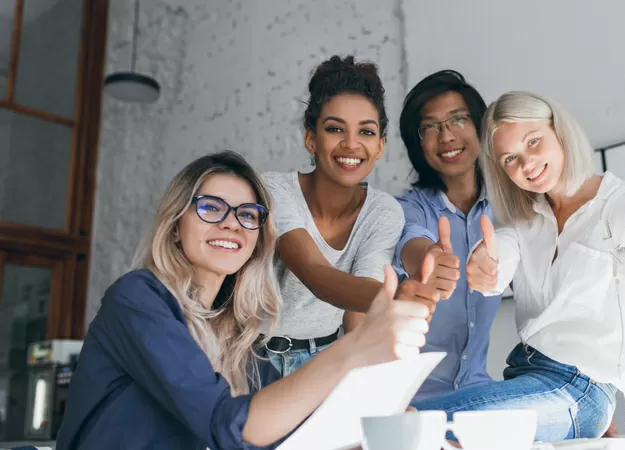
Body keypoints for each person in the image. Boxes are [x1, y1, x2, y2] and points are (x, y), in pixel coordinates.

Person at [56, 151, 435, 449]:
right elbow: (232, 427)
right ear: (175, 227)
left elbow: (286, 428)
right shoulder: (138, 299)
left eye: (247, 214)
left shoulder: (236, 335)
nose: (232, 223)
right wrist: (354, 348)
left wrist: (374, 426)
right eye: (210, 208)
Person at [412, 91, 625, 443]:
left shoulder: (624, 209)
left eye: (533, 141)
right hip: (525, 374)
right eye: (510, 159)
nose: (525, 165)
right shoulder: (522, 223)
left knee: (421, 426)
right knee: (406, 424)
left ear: (560, 131)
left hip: (581, 391)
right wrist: (485, 265)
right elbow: (498, 255)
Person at [261, 55, 438, 377]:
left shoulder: (383, 212)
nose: (351, 144)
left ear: (381, 145)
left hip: (326, 359)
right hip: (250, 358)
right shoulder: (273, 190)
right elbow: (315, 273)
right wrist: (397, 295)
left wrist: (363, 385)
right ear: (310, 138)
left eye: (366, 132)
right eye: (334, 129)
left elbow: (360, 300)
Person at [393, 70, 502, 401]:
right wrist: (429, 258)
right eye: (430, 127)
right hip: (411, 400)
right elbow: (411, 240)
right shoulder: (404, 210)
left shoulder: (507, 211)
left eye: (458, 120)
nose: (446, 136)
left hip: (477, 391)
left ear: (480, 128)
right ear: (418, 143)